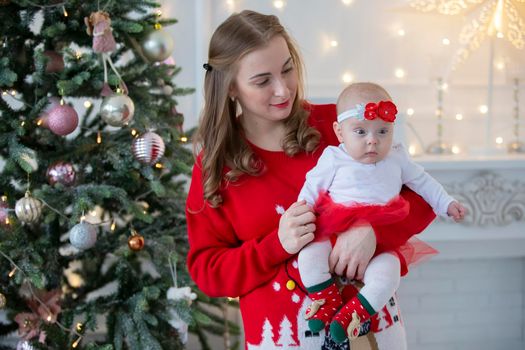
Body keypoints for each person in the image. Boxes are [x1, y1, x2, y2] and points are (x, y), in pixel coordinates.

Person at [186, 10, 436, 349]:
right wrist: (276, 245)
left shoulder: (339, 125)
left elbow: (421, 198)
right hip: (279, 338)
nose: (282, 89)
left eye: (287, 69)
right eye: (262, 81)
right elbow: (208, 271)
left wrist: (372, 232)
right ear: (230, 87)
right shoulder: (216, 165)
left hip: (373, 333)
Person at [297, 82, 466, 343]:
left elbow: (423, 182)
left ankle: (354, 313)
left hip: (381, 238)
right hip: (335, 229)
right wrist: (301, 210)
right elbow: (312, 187)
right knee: (309, 256)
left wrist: (446, 203)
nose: (372, 140)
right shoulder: (334, 157)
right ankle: (325, 297)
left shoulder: (397, 158)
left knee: (389, 273)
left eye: (383, 131)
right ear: (339, 132)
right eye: (361, 131)